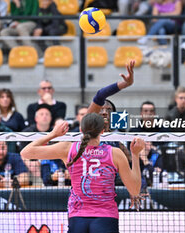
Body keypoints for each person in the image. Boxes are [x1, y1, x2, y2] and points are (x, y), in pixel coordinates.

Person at [21, 60, 145, 232]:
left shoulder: (70, 148)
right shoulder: (114, 152)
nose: (103, 112)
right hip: (104, 214)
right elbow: (134, 186)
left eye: (107, 111)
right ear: (101, 129)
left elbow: (26, 152)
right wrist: (136, 155)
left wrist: (53, 134)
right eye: (101, 111)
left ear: (81, 127)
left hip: (80, 214)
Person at [21, 104, 53, 185]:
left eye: (47, 114)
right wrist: (28, 163)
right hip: (32, 165)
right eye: (41, 114)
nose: (44, 116)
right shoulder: (27, 133)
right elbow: (21, 152)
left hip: (51, 165)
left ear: (51, 118)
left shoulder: (56, 133)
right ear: (36, 118)